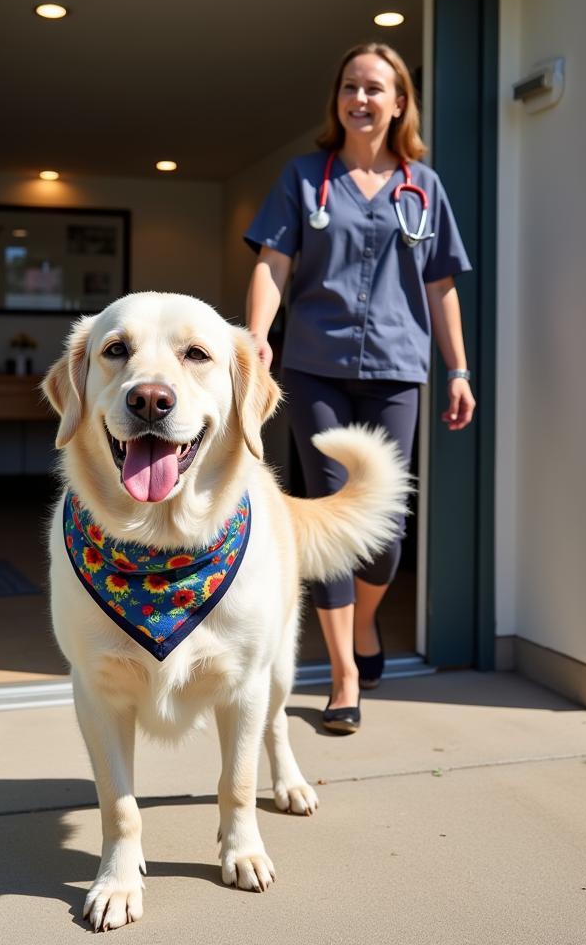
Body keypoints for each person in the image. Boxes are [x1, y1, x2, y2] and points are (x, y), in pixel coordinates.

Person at [243, 42, 475, 734]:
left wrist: (458, 368)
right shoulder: (303, 177)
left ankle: (366, 627)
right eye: (350, 87)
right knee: (328, 514)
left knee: (385, 531)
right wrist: (258, 333)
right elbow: (272, 261)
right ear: (337, 101)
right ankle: (344, 674)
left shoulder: (423, 187)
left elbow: (441, 286)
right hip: (314, 365)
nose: (361, 99)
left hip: (399, 370)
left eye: (376, 88)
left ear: (399, 102)